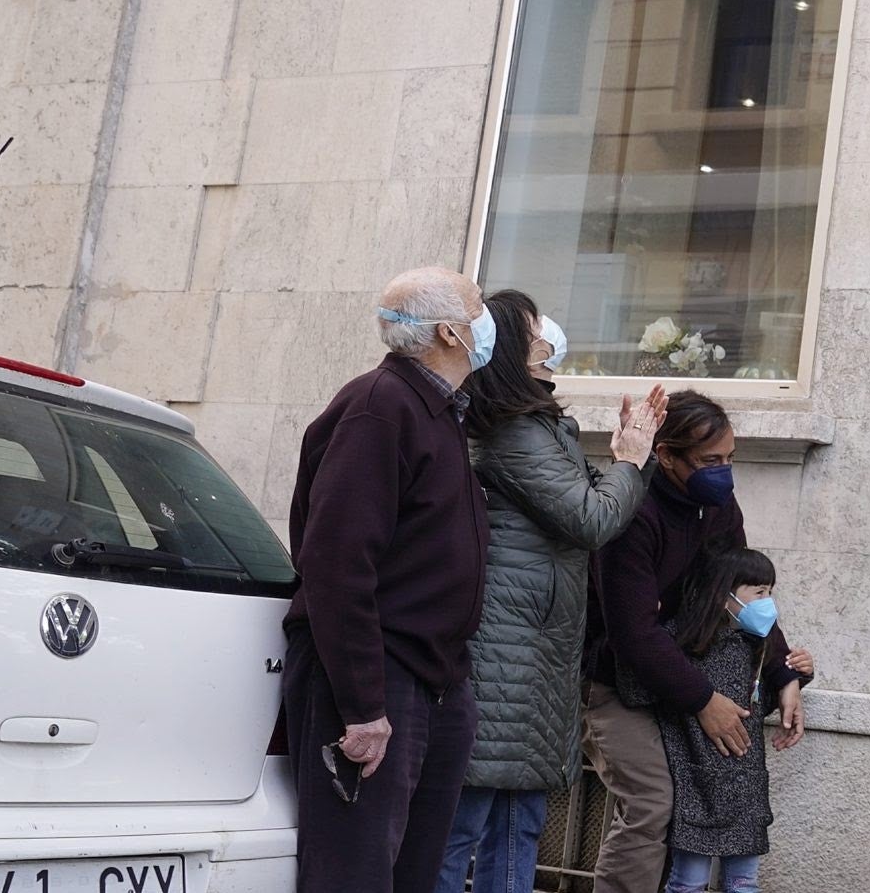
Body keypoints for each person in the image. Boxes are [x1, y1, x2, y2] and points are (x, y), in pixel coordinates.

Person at [435, 291, 666, 893]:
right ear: (516, 346)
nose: (550, 336)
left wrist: (620, 459)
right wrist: (631, 459)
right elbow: (591, 518)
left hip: (535, 651)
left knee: (517, 819)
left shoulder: (533, 425)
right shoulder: (513, 430)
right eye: (536, 328)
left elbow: (583, 500)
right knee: (471, 818)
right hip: (508, 650)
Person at [283, 266, 494, 893]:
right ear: (452, 332)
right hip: (379, 678)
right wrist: (364, 706)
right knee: (355, 873)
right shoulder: (380, 407)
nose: (491, 322)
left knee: (412, 874)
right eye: (479, 307)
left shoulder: (438, 410)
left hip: (436, 677)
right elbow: (336, 563)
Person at [581, 392, 813, 893]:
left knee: (692, 803)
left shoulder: (718, 504)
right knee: (653, 804)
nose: (724, 472)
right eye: (710, 461)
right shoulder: (632, 512)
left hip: (685, 683)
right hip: (616, 685)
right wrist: (705, 701)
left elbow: (743, 595)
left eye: (730, 458)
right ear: (665, 455)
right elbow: (632, 633)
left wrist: (783, 675)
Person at [657, 545, 810, 893]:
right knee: (688, 882)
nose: (767, 602)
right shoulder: (685, 642)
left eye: (770, 592)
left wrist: (798, 676)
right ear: (725, 594)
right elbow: (648, 685)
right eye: (758, 592)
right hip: (697, 787)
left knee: (744, 884)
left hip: (745, 790)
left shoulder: (755, 645)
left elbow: (753, 708)